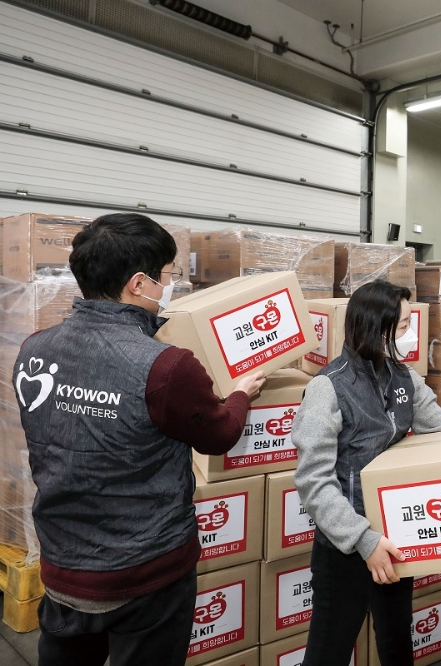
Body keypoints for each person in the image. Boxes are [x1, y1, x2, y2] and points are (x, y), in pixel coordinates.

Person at [12, 213, 265, 666]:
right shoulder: (166, 366)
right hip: (146, 574)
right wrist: (243, 393)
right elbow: (220, 434)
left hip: (64, 564)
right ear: (139, 283)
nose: (170, 287)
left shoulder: (35, 349)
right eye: (168, 276)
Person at [292, 280, 441, 666]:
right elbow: (313, 482)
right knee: (328, 652)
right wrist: (363, 540)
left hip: (397, 537)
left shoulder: (404, 379)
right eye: (402, 326)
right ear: (376, 329)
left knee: (397, 642)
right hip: (347, 546)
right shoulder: (329, 389)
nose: (410, 334)